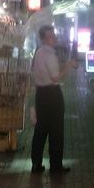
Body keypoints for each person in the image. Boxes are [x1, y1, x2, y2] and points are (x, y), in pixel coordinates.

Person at [30, 25, 77, 173]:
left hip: (41, 94)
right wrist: (69, 66)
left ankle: (36, 163)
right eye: (50, 36)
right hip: (52, 95)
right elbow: (55, 77)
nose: (54, 38)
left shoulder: (39, 53)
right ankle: (56, 165)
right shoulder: (49, 55)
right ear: (44, 39)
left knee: (41, 130)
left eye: (54, 35)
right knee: (56, 130)